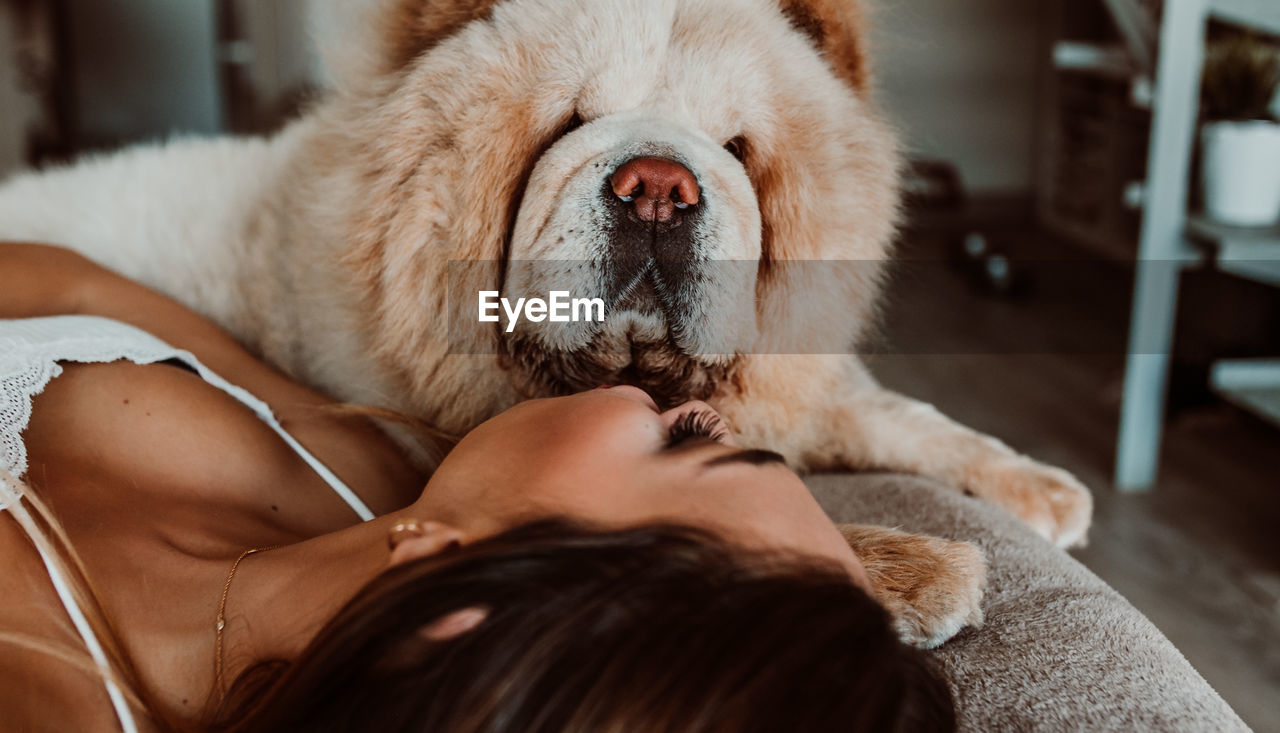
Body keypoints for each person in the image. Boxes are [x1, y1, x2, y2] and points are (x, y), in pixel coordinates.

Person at [0, 242, 955, 732]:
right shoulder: (361, 467)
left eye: (682, 446)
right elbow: (74, 287)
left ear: (468, 605)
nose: (694, 400)